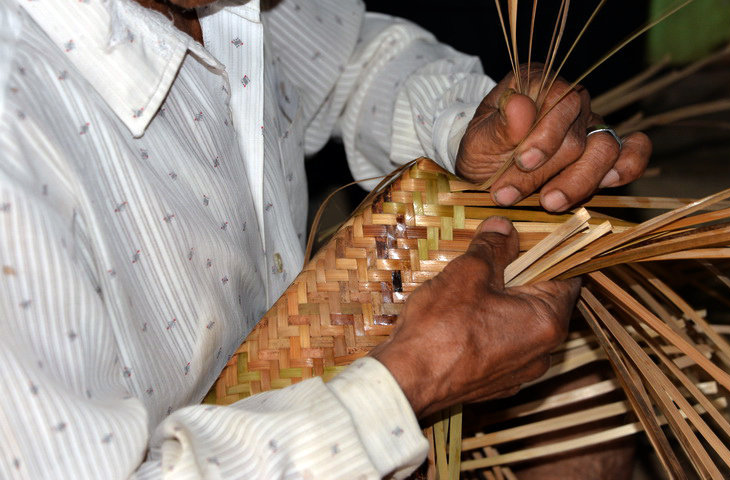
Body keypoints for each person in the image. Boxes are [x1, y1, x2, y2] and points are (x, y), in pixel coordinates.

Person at [0, 0, 651, 477]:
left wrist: (463, 124)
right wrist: (408, 383)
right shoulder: (15, 141)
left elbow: (347, 57)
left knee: (581, 392)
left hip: (293, 391)